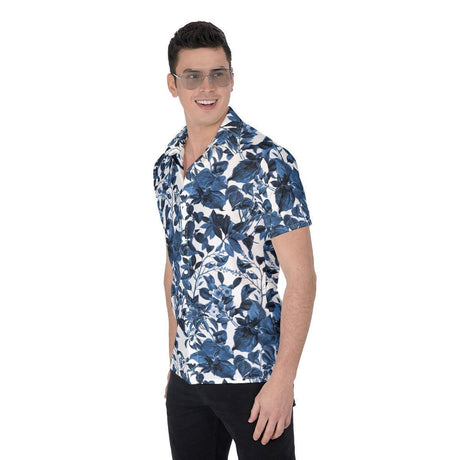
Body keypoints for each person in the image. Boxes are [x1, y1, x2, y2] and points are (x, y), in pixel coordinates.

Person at [153, 21, 316, 460]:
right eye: (193, 76)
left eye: (218, 74)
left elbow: (302, 278)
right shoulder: (165, 166)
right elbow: (174, 268)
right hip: (186, 380)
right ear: (173, 84)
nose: (207, 87)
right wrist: (175, 360)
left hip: (254, 379)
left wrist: (283, 380)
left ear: (231, 79)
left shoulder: (268, 161)